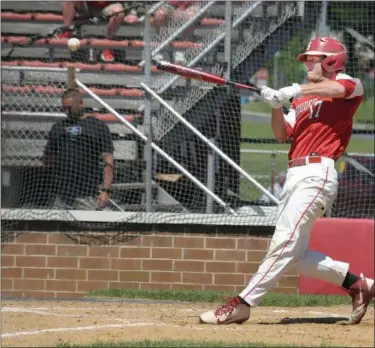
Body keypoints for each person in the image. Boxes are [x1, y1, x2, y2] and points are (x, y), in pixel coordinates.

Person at [199, 37, 374, 325]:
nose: (307, 62)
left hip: (318, 173)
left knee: (284, 241)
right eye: (307, 58)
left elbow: (336, 89)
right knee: (294, 254)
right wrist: (276, 105)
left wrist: (291, 90)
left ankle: (242, 303)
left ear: (332, 60)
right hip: (294, 174)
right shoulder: (302, 98)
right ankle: (358, 285)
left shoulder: (349, 84)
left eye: (314, 58)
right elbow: (282, 134)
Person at [43, 88, 114, 211]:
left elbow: (108, 162)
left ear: (81, 103)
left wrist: (106, 190)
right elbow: (49, 159)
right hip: (61, 195)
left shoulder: (97, 127)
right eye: (64, 108)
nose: (67, 111)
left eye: (70, 108)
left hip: (87, 193)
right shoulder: (58, 128)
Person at [57, 1, 138, 62]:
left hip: (108, 6)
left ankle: (108, 45)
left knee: (118, 11)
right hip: (87, 5)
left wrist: (132, 13)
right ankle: (66, 31)